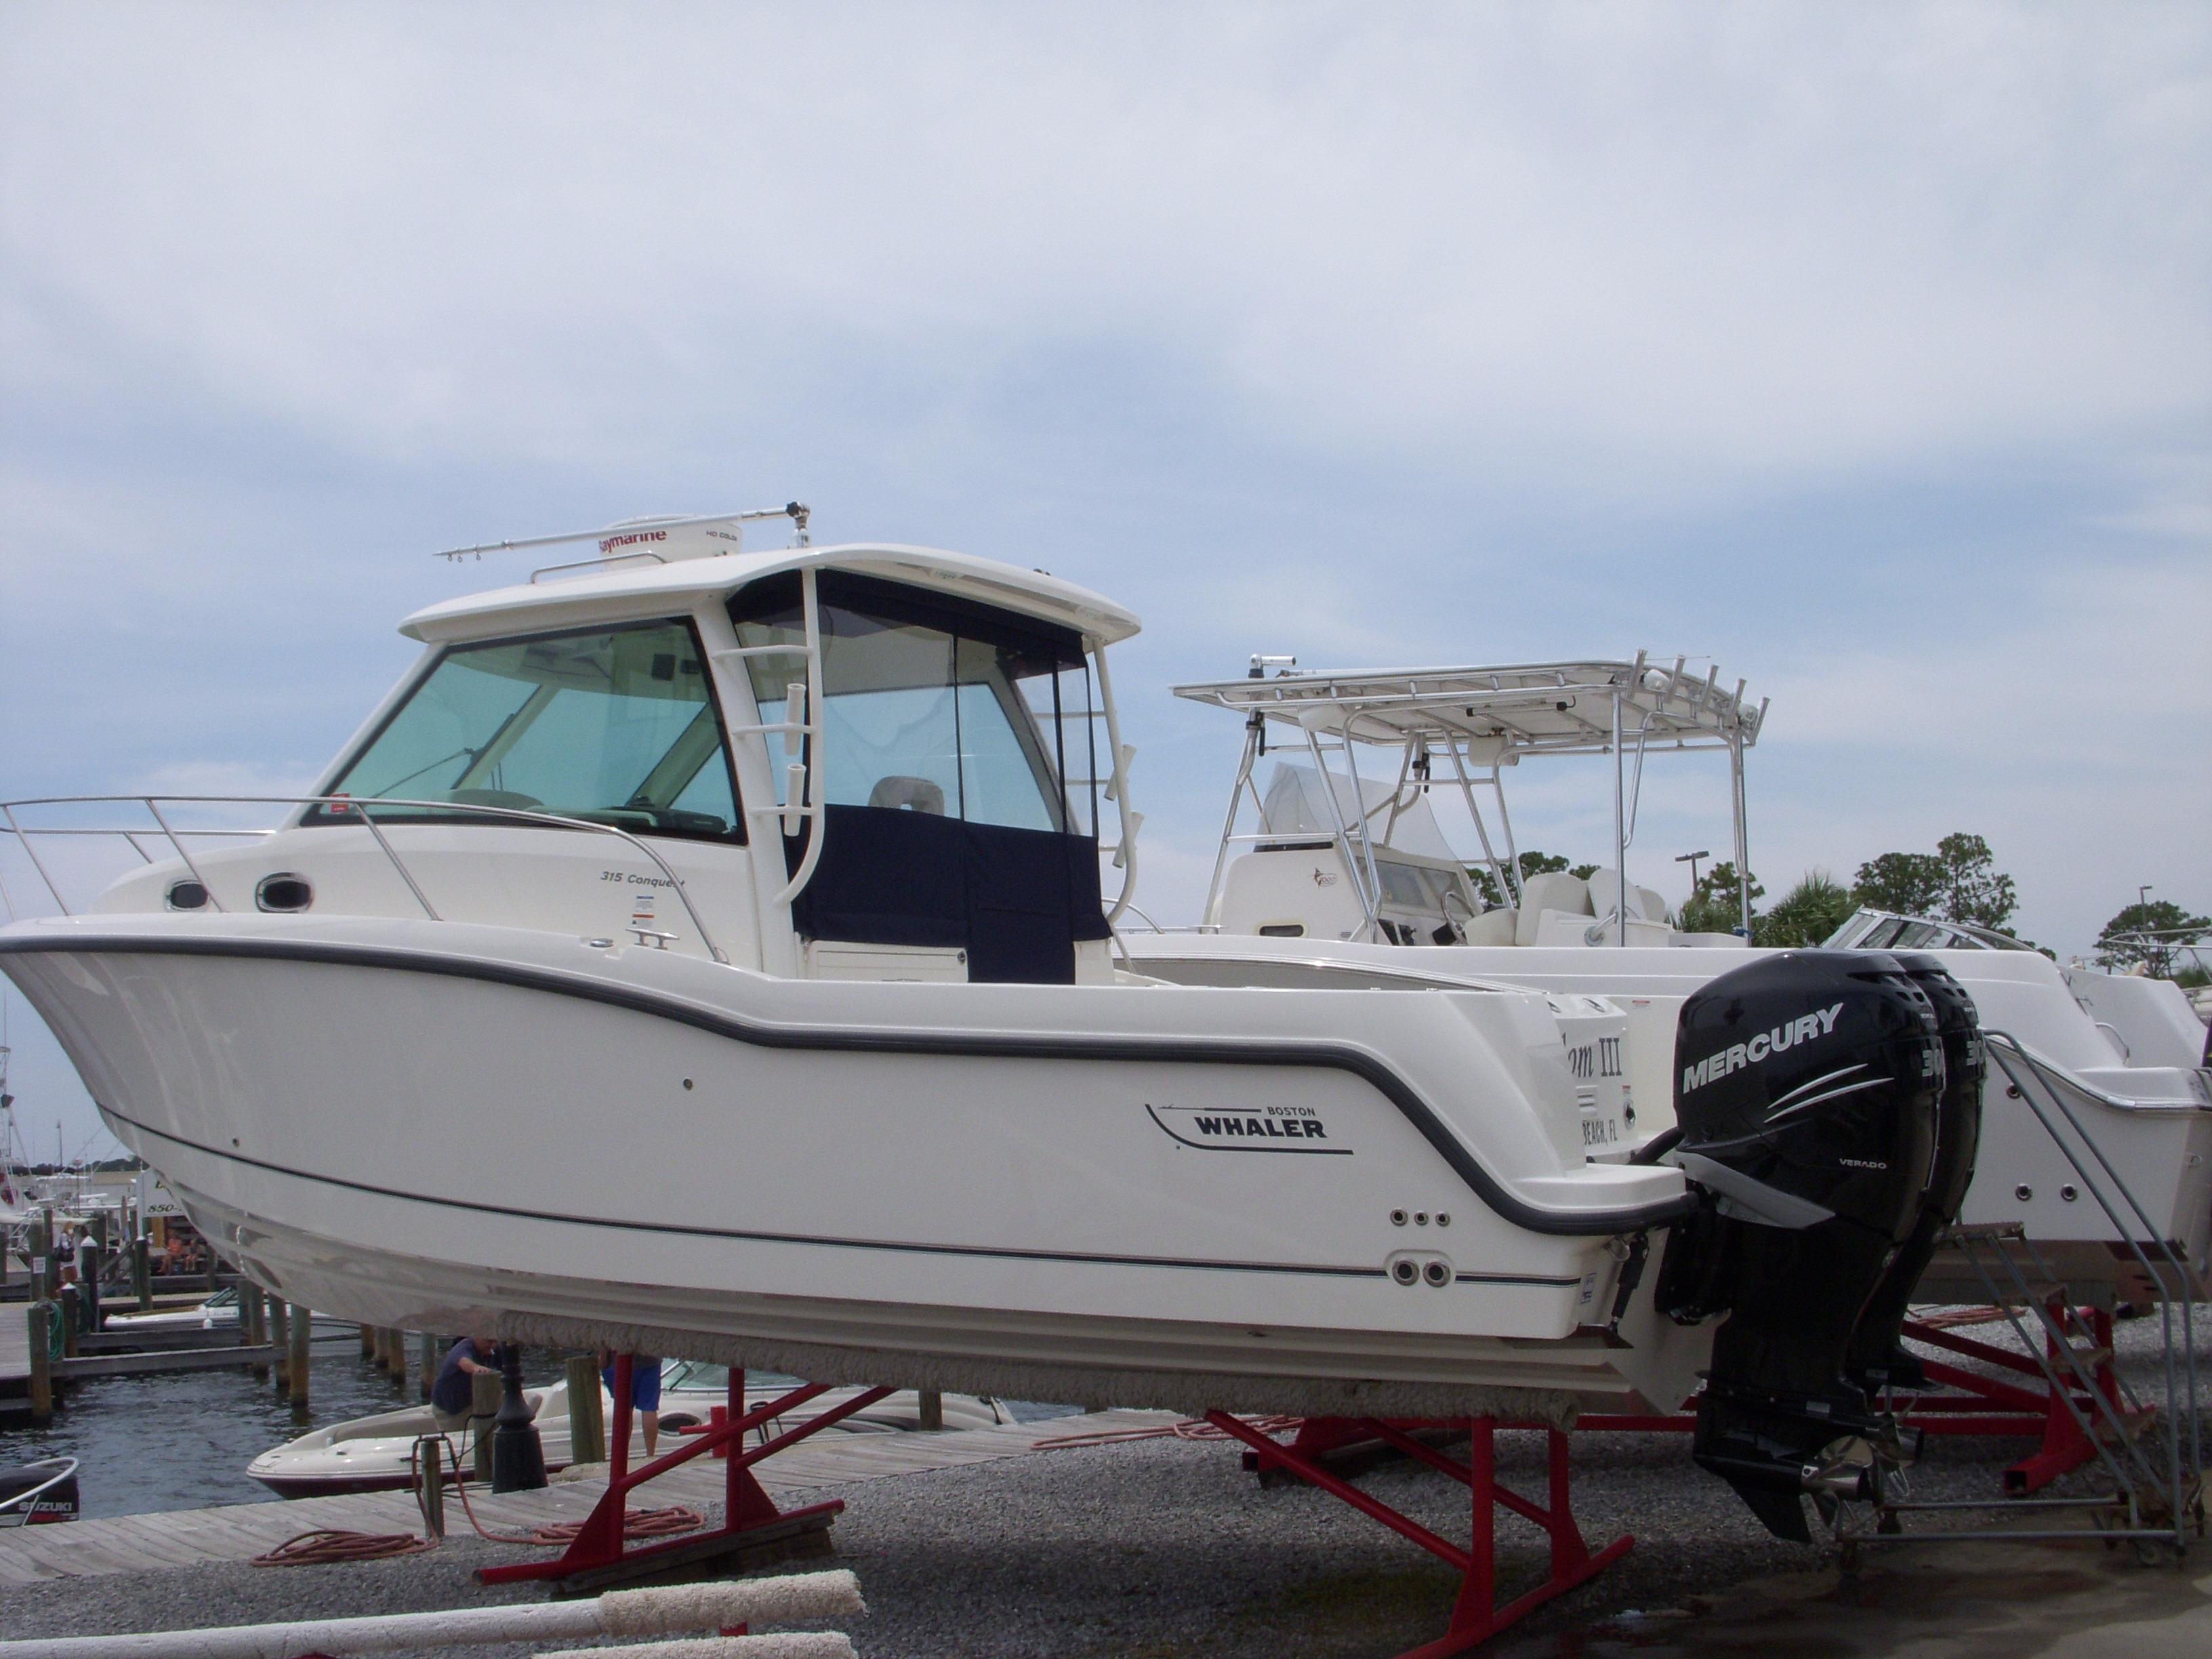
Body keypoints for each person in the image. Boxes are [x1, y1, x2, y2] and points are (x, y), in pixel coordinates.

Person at [430, 1334, 503, 1437]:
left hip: (473, 1403)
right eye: (488, 1341)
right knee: (456, 1440)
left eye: (495, 1342)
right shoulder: (464, 1347)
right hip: (450, 1408)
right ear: (476, 1337)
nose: (492, 1345)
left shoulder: (495, 1352)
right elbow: (464, 1362)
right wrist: (476, 1368)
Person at [598, 1349, 663, 1456]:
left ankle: (621, 1454)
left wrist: (603, 1360)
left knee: (624, 1409)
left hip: (619, 1362)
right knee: (649, 1408)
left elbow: (605, 1338)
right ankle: (650, 1453)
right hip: (650, 1360)